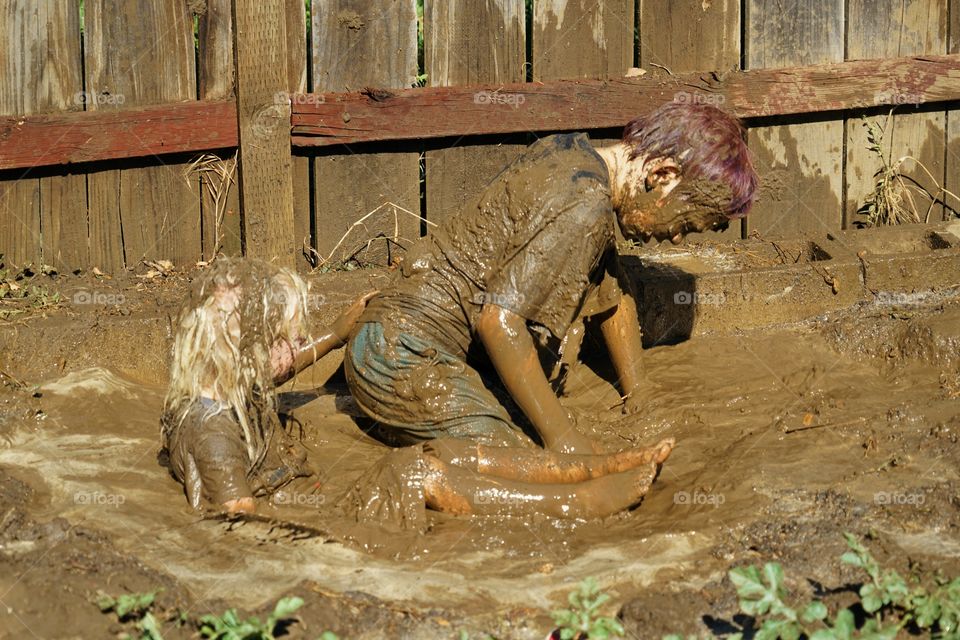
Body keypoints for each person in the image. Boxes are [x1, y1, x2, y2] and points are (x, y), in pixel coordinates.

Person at [342, 103, 757, 517]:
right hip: (399, 358)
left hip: (394, 339)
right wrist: (565, 442)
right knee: (519, 456)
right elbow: (499, 322)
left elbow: (610, 290)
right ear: (662, 175)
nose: (678, 240)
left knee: (535, 439)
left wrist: (641, 394)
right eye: (686, 222)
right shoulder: (584, 206)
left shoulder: (573, 155)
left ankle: (583, 472)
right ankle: (569, 501)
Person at [160, 258, 371, 515]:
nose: (301, 341)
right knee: (413, 472)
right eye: (293, 337)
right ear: (252, 350)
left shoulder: (221, 387)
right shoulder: (214, 437)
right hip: (310, 510)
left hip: (303, 493)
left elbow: (277, 370)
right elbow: (238, 519)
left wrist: (336, 334)